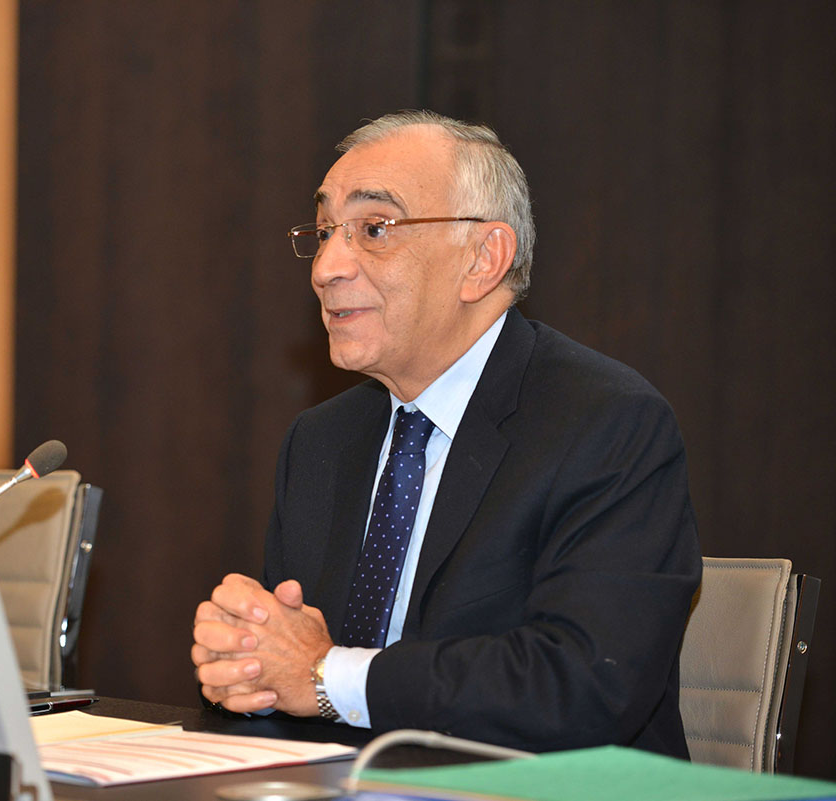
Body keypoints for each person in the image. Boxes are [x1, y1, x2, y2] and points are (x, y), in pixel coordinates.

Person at [191, 110, 702, 757]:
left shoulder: (607, 423)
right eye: (323, 232)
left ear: (483, 259)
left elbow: (582, 686)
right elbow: (292, 673)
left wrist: (324, 674)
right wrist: (247, 661)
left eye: (373, 228)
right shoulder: (321, 441)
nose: (326, 267)